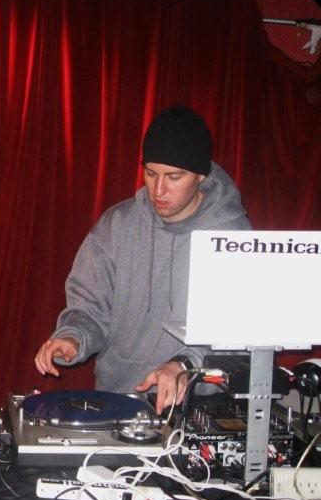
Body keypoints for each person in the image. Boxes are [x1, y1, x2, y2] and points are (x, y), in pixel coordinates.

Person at [34, 105, 251, 414]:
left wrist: (183, 365)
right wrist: (73, 336)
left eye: (174, 177)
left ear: (200, 175)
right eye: (150, 173)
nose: (158, 189)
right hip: (116, 399)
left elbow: (233, 332)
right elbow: (89, 307)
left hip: (196, 404)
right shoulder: (117, 225)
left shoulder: (231, 236)